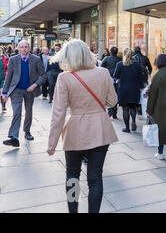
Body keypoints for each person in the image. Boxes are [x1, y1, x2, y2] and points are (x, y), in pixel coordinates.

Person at [46, 39, 118, 213]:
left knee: (72, 176)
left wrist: (52, 143)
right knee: (95, 177)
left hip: (75, 130)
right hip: (100, 129)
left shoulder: (64, 78)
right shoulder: (103, 72)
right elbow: (113, 101)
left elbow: (58, 114)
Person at [2, 40, 47, 147]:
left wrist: (35, 85)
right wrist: (4, 92)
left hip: (30, 90)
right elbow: (8, 77)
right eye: (21, 47)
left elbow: (44, 75)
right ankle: (14, 137)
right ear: (18, 48)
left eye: (26, 47)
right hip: (16, 90)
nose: (24, 49)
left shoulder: (36, 59)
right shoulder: (13, 59)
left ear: (29, 48)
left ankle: (27, 131)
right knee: (17, 112)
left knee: (28, 111)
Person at [113, 48, 145, 133]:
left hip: (123, 89)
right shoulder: (137, 65)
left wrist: (118, 81)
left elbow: (115, 76)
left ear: (124, 54)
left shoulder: (119, 64)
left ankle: (127, 128)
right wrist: (141, 87)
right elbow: (141, 78)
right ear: (132, 55)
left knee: (125, 109)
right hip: (134, 89)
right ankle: (133, 121)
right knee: (133, 107)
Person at [101, 46, 122, 119]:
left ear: (110, 52)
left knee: (107, 94)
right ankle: (114, 111)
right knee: (115, 94)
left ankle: (110, 110)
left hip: (108, 78)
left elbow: (101, 67)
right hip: (117, 79)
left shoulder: (106, 58)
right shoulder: (120, 59)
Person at [0, 47, 10, 112]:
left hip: (3, 78)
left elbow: (9, 68)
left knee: (3, 92)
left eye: (0, 50)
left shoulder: (6, 59)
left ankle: (3, 106)